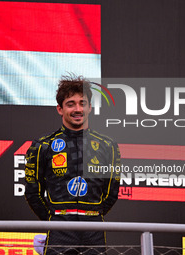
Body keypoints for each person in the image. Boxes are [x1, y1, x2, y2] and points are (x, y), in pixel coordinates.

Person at [24, 74, 121, 255]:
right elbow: (33, 192)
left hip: (94, 230)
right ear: (60, 109)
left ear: (90, 108)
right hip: (60, 229)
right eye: (71, 104)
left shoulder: (108, 145)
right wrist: (55, 219)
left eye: (82, 103)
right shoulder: (42, 145)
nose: (78, 109)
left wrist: (92, 213)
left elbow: (111, 192)